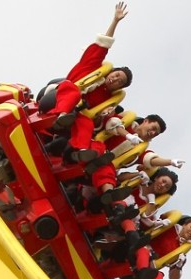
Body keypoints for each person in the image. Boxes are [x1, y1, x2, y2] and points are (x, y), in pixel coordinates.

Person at [48, 3, 133, 166]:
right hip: (60, 95)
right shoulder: (93, 67)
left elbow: (101, 121)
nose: (115, 80)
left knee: (86, 123)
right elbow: (103, 45)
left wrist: (102, 115)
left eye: (120, 82)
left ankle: (78, 153)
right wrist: (115, 21)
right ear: (110, 72)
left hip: (75, 117)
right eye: (116, 75)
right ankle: (62, 116)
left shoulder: (108, 100)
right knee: (73, 92)